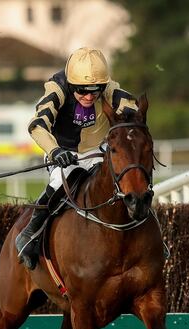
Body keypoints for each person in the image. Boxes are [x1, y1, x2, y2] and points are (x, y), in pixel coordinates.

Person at [16, 47, 139, 270]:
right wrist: (55, 151)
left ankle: (147, 228)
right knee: (62, 179)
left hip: (99, 150)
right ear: (72, 84)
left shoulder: (109, 87)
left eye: (95, 91)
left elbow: (130, 105)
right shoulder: (57, 87)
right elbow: (37, 125)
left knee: (130, 181)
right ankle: (29, 234)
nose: (90, 97)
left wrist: (130, 115)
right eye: (82, 91)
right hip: (64, 152)